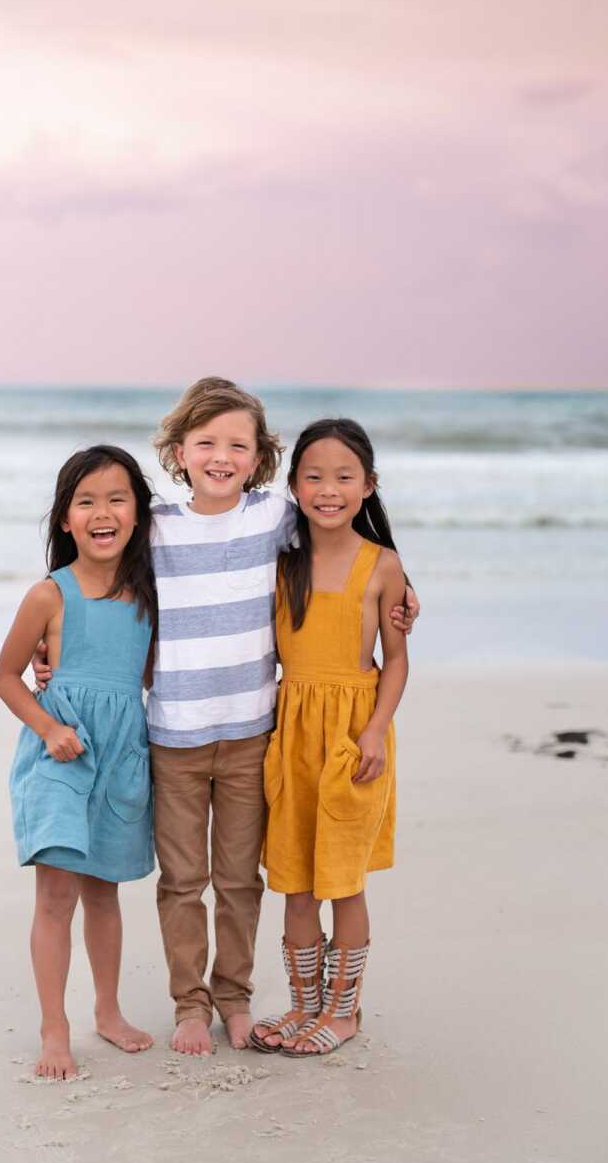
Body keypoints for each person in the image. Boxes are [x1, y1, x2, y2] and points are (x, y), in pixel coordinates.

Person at [34, 380, 420, 1057]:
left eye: (238, 444)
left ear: (260, 457)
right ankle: (191, 1006)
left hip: (253, 735)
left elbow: (345, 541)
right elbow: (92, 575)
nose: (221, 455)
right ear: (178, 452)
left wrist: (405, 594)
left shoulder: (277, 517)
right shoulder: (154, 528)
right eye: (206, 443)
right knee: (183, 882)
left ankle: (235, 999)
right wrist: (52, 649)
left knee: (242, 879)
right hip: (173, 738)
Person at [0, 445, 157, 1080]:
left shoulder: (148, 596)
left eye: (117, 499)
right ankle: (54, 1027)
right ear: (65, 518)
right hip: (60, 755)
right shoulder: (48, 595)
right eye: (85, 501)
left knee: (105, 892)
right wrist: (49, 726)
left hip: (122, 759)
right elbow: (7, 676)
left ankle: (108, 1012)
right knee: (56, 893)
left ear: (138, 514)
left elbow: (145, 673)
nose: (102, 513)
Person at [250, 418, 408, 1057]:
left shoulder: (384, 566)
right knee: (294, 880)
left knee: (343, 880)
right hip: (292, 735)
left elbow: (394, 659)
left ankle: (343, 1013)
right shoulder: (280, 559)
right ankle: (302, 1006)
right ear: (293, 486)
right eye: (313, 477)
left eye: (345, 477)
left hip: (352, 739)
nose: (329, 489)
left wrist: (375, 730)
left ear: (368, 486)